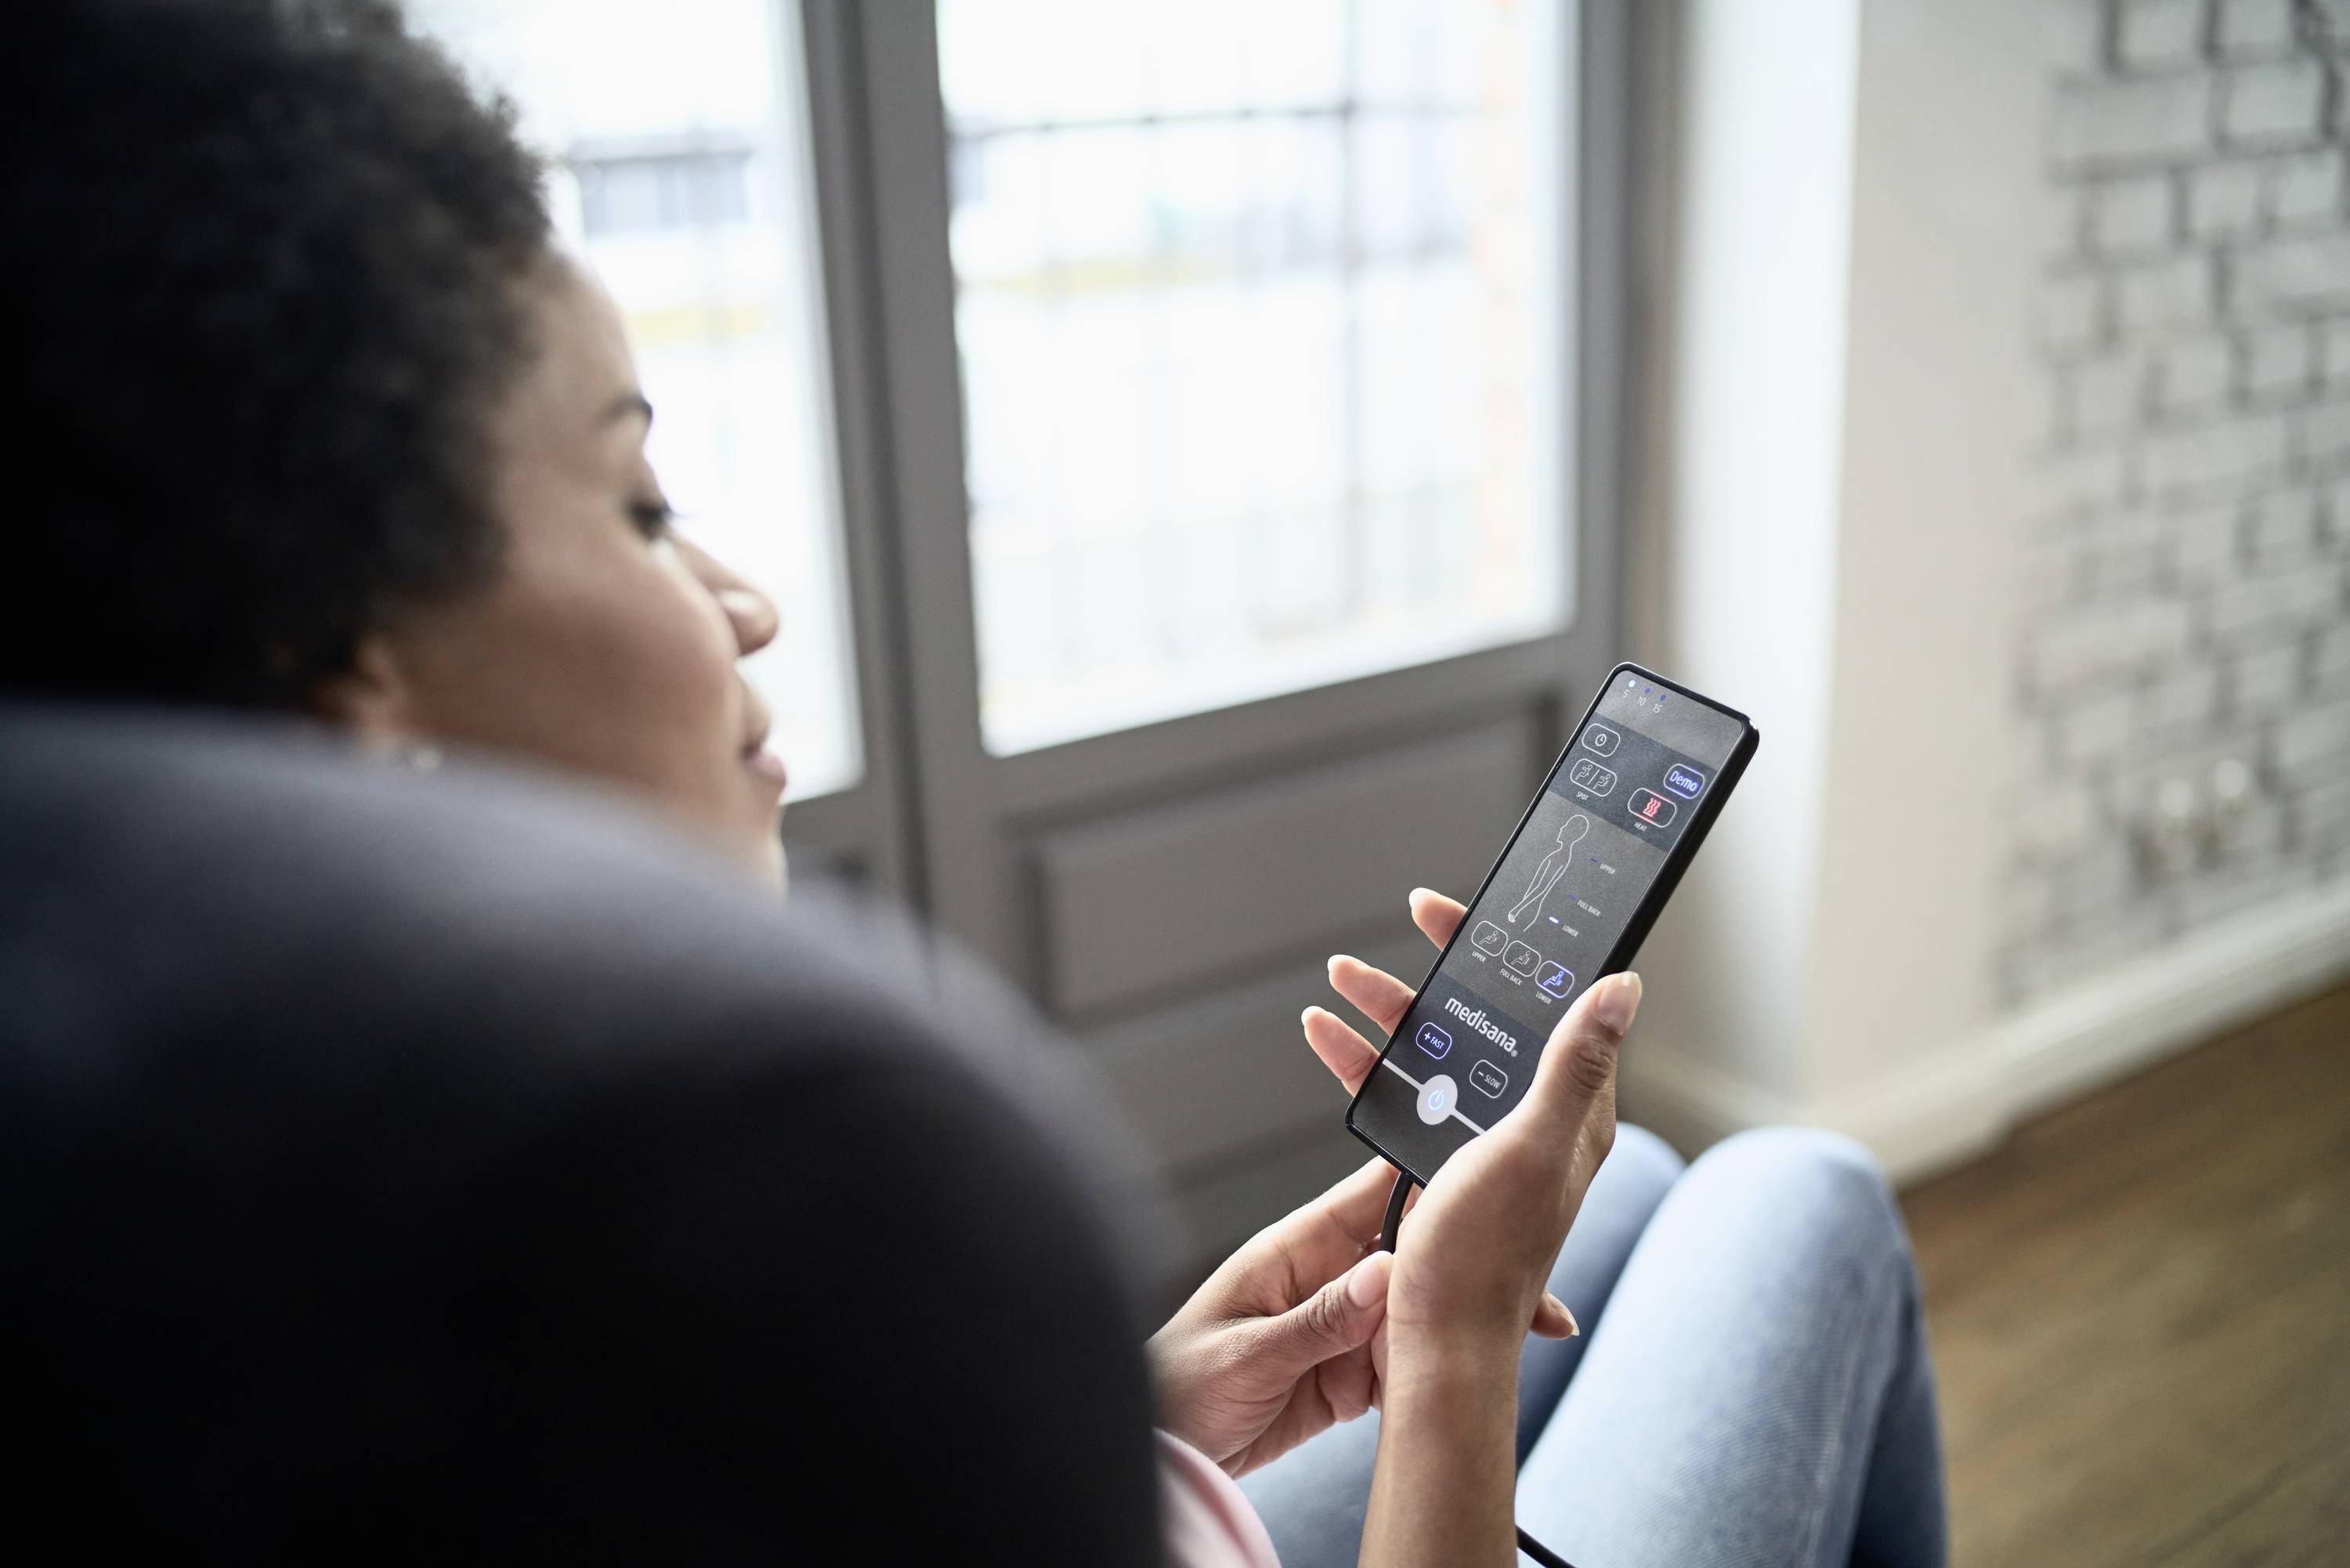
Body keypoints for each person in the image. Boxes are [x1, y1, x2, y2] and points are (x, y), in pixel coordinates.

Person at [2, 2, 1948, 1563]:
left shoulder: (195, 1182)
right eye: (639, 499)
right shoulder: (736, 1185)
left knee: (1641, 1191)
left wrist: (1144, 1417)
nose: (747, 601)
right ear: (352, 670)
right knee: (1802, 1188)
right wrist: (1441, 1361)